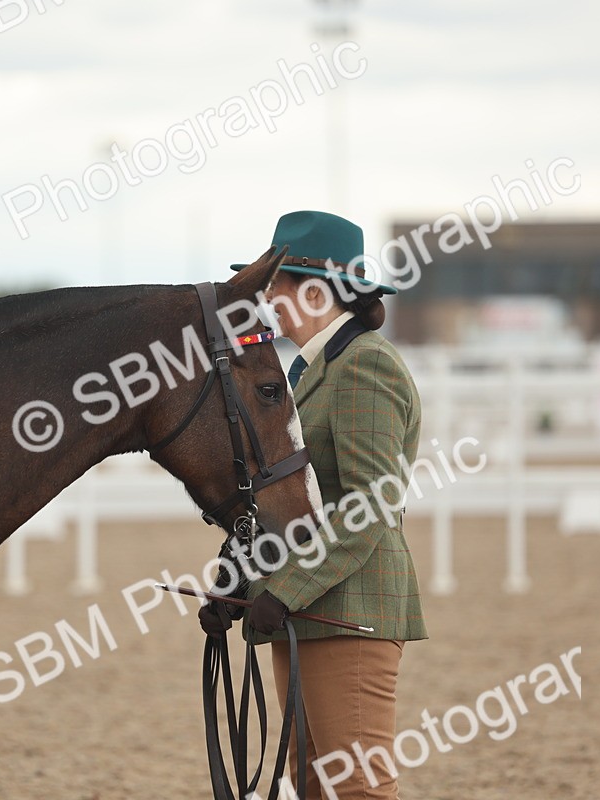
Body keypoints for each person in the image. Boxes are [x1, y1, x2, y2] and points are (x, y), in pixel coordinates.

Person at [200, 210, 427, 800]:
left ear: (318, 290)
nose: (266, 299)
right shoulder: (309, 372)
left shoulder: (364, 367)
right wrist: (242, 583)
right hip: (308, 612)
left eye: (275, 285)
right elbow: (293, 500)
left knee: (356, 787)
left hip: (348, 610)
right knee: (311, 784)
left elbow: (369, 505)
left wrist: (284, 593)